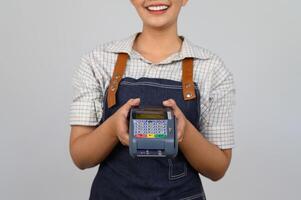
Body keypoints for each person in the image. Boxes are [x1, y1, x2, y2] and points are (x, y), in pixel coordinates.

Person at [69, 0, 236, 199]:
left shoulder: (212, 70)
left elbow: (218, 168)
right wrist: (113, 128)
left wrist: (185, 133)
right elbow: (80, 157)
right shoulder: (97, 62)